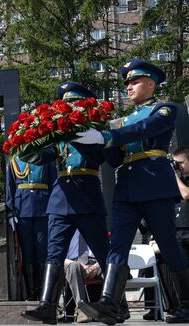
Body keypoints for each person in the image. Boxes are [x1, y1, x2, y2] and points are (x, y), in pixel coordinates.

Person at [74, 59, 189, 324]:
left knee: (169, 245)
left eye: (134, 81)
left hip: (153, 183)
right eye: (126, 83)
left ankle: (186, 302)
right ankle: (109, 304)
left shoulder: (164, 109)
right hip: (126, 185)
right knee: (117, 245)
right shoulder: (122, 121)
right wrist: (84, 138)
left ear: (151, 83)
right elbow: (113, 159)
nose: (129, 87)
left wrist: (109, 136)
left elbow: (147, 129)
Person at [20, 82, 112, 325]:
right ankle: (47, 306)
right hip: (60, 199)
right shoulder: (59, 136)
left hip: (87, 196)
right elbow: (40, 157)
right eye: (66, 102)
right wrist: (24, 142)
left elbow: (100, 156)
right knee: (54, 253)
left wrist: (76, 133)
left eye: (74, 102)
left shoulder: (94, 131)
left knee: (103, 251)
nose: (69, 106)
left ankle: (116, 305)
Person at [6, 155, 56, 300]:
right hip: (22, 210)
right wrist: (10, 212)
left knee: (42, 252)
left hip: (43, 208)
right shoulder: (15, 160)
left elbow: (54, 184)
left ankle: (43, 293)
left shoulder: (47, 157)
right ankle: (31, 293)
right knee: (27, 253)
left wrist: (54, 208)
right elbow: (10, 186)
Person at [64, 230, 102, 323]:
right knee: (74, 267)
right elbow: (58, 257)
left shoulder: (96, 228)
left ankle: (114, 309)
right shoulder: (66, 230)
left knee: (112, 266)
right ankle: (81, 309)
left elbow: (109, 253)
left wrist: (97, 265)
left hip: (97, 263)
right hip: (73, 263)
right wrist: (79, 265)